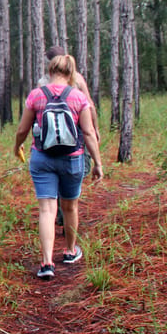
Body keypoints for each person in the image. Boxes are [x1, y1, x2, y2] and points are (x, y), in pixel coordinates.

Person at [14, 54, 103, 279]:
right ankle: (71, 251)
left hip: (42, 158)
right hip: (72, 158)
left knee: (47, 210)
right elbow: (89, 133)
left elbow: (23, 130)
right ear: (70, 73)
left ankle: (46, 263)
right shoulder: (78, 97)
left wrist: (17, 147)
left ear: (50, 71)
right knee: (70, 207)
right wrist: (98, 163)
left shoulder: (36, 95)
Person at [39, 46, 100, 226]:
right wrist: (95, 128)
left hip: (50, 138)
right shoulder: (77, 78)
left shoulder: (42, 82)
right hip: (77, 134)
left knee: (55, 171)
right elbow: (89, 105)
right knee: (77, 170)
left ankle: (60, 206)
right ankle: (67, 208)